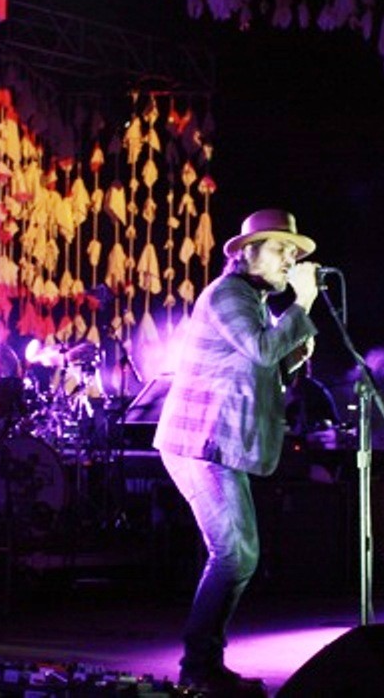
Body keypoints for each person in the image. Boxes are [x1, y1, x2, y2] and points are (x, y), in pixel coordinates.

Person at [153, 208, 320, 695]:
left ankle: (204, 664)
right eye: (281, 248)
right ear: (247, 252)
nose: (290, 259)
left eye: (294, 252)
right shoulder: (228, 294)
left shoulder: (255, 301)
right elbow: (261, 350)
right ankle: (199, 667)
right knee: (235, 554)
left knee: (238, 554)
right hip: (199, 442)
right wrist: (303, 304)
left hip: (220, 443)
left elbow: (260, 368)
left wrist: (293, 358)